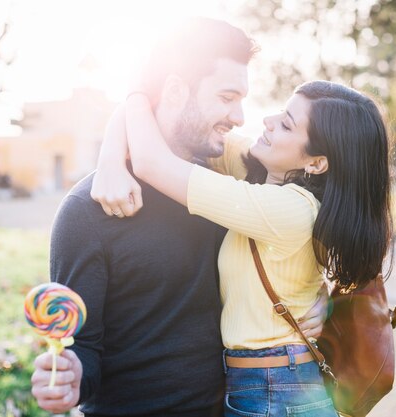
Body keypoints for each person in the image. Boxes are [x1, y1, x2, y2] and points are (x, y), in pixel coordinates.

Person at [30, 18, 327, 417]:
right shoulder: (87, 210)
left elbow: (339, 221)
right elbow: (84, 347)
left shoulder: (234, 181)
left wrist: (323, 298)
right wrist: (69, 378)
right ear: (174, 91)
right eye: (226, 97)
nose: (239, 116)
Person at [91, 80, 394, 416]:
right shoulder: (260, 174)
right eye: (281, 110)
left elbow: (151, 160)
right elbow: (150, 123)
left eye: (286, 124)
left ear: (317, 162)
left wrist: (134, 96)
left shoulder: (289, 210)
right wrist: (110, 157)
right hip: (272, 381)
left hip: (274, 390)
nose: (268, 120)